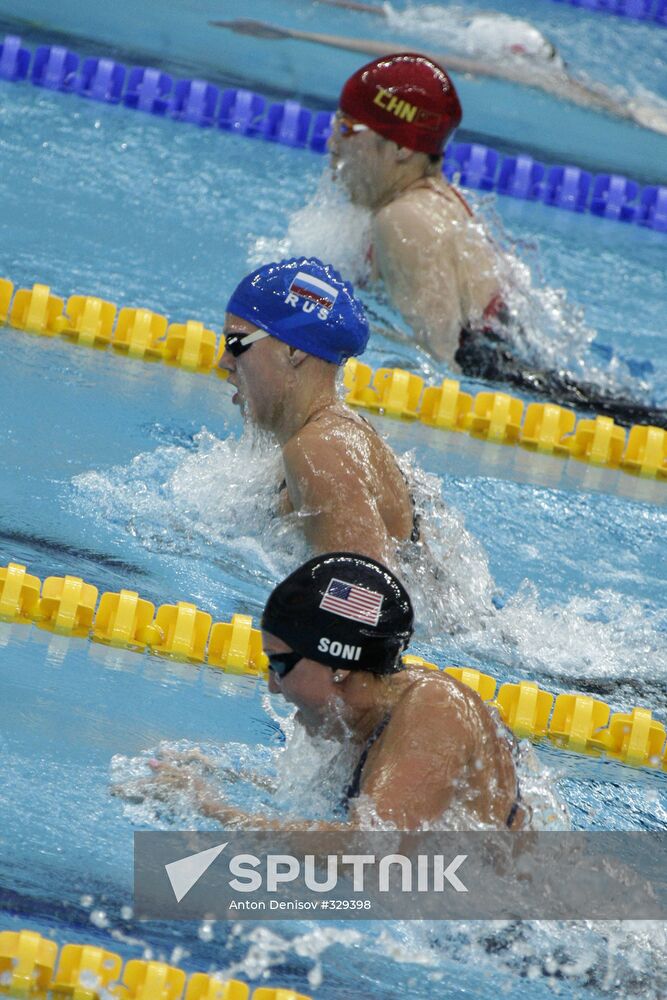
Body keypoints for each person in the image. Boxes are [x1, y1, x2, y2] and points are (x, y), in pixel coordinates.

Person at [329, 52, 667, 428]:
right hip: (531, 377)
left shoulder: (404, 220)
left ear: (401, 147)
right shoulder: (430, 203)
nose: (331, 144)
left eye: (347, 129)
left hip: (520, 393)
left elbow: (436, 364)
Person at [125, 553, 525, 832]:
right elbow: (337, 814)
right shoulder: (370, 720)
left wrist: (212, 809)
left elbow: (370, 853)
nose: (271, 685)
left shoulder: (435, 709)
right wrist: (225, 778)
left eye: (280, 664)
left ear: (340, 665)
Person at [218, 257, 419, 566]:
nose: (224, 361)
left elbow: (361, 601)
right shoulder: (329, 437)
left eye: (236, 343)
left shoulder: (320, 450)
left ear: (293, 351)